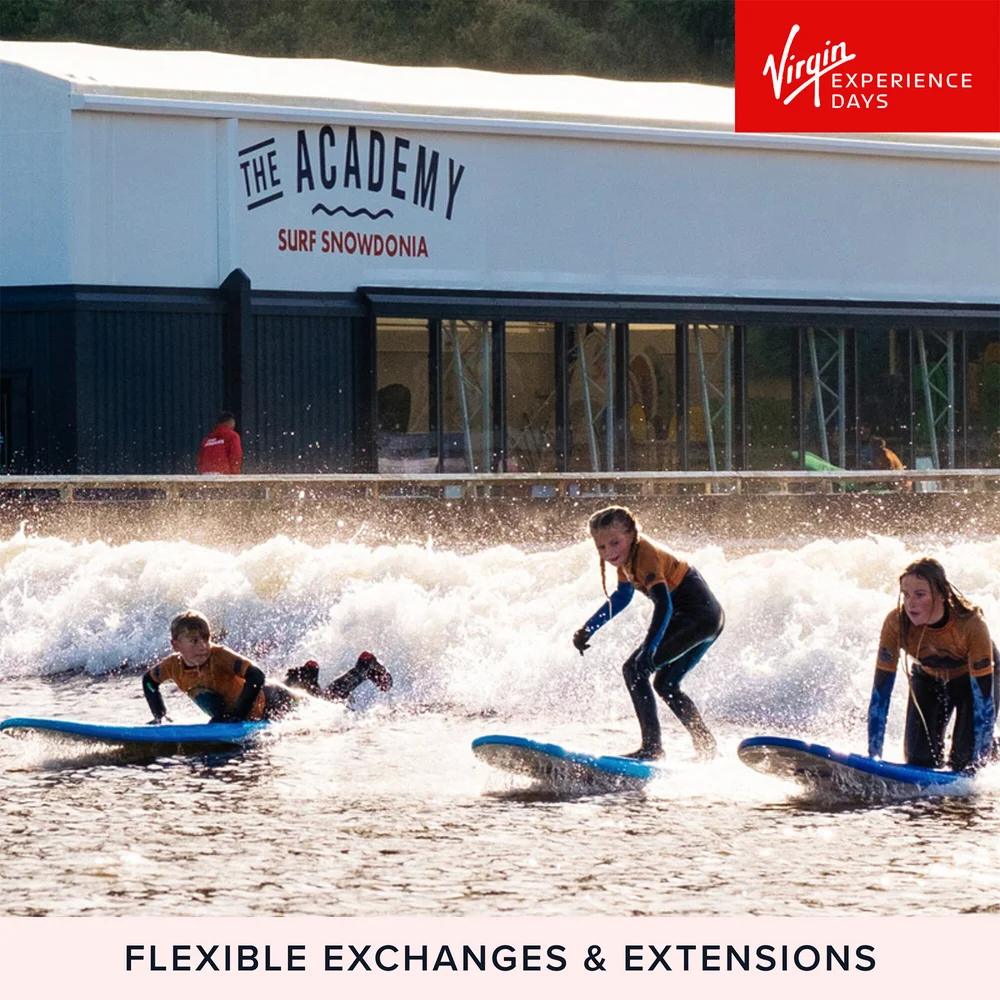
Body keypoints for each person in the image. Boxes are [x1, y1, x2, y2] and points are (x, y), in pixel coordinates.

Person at [572, 505, 724, 760]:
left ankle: (652, 748)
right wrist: (588, 628)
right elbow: (621, 597)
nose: (609, 552)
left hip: (697, 617)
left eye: (615, 543)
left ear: (632, 534)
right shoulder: (627, 559)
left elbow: (664, 603)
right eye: (601, 547)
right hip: (708, 619)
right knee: (666, 684)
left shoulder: (646, 555)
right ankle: (706, 746)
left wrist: (649, 647)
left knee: (634, 669)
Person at [142, 610, 392, 723]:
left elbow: (256, 675)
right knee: (315, 695)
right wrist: (159, 715)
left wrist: (237, 716)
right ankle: (305, 678)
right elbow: (149, 682)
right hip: (261, 700)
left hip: (273, 700)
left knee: (327, 706)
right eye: (194, 641)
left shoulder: (219, 656)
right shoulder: (172, 667)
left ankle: (364, 668)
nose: (202, 646)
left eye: (206, 639)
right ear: (176, 645)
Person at [866, 558, 997, 772]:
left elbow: (983, 703)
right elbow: (880, 694)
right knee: (918, 761)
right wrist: (873, 757)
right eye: (905, 595)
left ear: (942, 594)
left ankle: (994, 749)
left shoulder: (971, 624)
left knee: (964, 762)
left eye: (920, 594)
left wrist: (978, 764)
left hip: (971, 681)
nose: (911, 603)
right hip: (928, 677)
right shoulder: (896, 623)